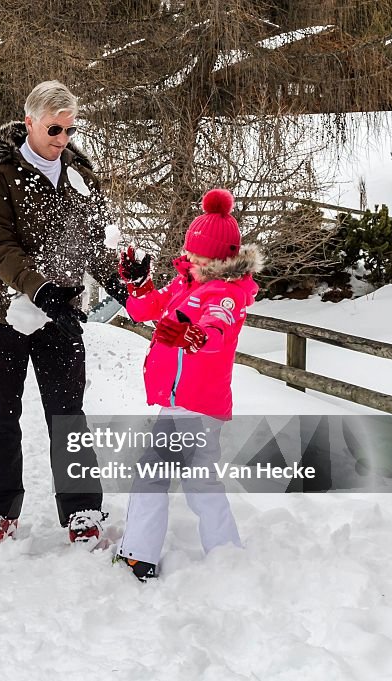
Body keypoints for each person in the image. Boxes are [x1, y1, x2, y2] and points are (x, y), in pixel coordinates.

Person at [0, 80, 130, 546]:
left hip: (59, 314)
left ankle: (81, 509)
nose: (62, 139)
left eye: (70, 129)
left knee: (67, 414)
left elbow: (94, 243)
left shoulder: (80, 176)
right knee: (0, 413)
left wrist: (115, 278)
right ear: (30, 121)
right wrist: (38, 288)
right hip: (1, 313)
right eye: (54, 128)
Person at [112, 188, 263, 581]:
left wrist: (195, 336)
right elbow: (142, 309)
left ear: (220, 259)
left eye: (199, 256)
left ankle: (138, 555)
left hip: (195, 406)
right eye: (189, 252)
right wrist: (139, 284)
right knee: (201, 482)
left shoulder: (225, 293)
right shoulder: (185, 284)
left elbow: (218, 326)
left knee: (151, 474)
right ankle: (226, 552)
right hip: (181, 404)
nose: (191, 259)